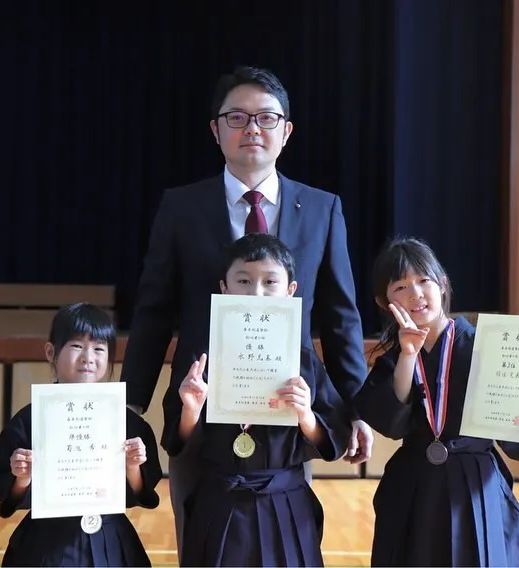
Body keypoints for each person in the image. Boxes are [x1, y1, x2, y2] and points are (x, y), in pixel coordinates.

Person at [121, 64, 373, 553]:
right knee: (200, 540)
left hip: (284, 408)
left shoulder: (323, 209)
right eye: (236, 118)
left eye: (265, 118)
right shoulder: (181, 207)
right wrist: (133, 402)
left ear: (286, 132)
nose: (252, 128)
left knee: (283, 537)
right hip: (202, 408)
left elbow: (341, 317)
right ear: (215, 131)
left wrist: (356, 408)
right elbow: (153, 310)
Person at [353, 237, 519, 567]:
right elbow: (391, 424)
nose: (415, 294)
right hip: (413, 484)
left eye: (424, 281)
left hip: (477, 482)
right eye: (401, 286)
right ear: (384, 301)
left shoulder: (488, 345)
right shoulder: (392, 359)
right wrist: (408, 356)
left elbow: (513, 429)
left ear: (443, 284)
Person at [164, 232, 353, 567]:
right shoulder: (200, 356)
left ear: (290, 290)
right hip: (219, 500)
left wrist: (306, 416)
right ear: (224, 288)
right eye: (244, 281)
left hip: (284, 502)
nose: (256, 292)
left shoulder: (303, 358)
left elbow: (333, 438)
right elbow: (178, 443)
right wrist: (190, 412)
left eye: (270, 282)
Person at [0, 303, 162, 567]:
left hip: (109, 535)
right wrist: (22, 478)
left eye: (99, 348)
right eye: (77, 346)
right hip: (48, 540)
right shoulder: (29, 419)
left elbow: (141, 492)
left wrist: (133, 468)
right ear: (51, 352)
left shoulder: (125, 422)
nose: (88, 357)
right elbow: (8, 493)